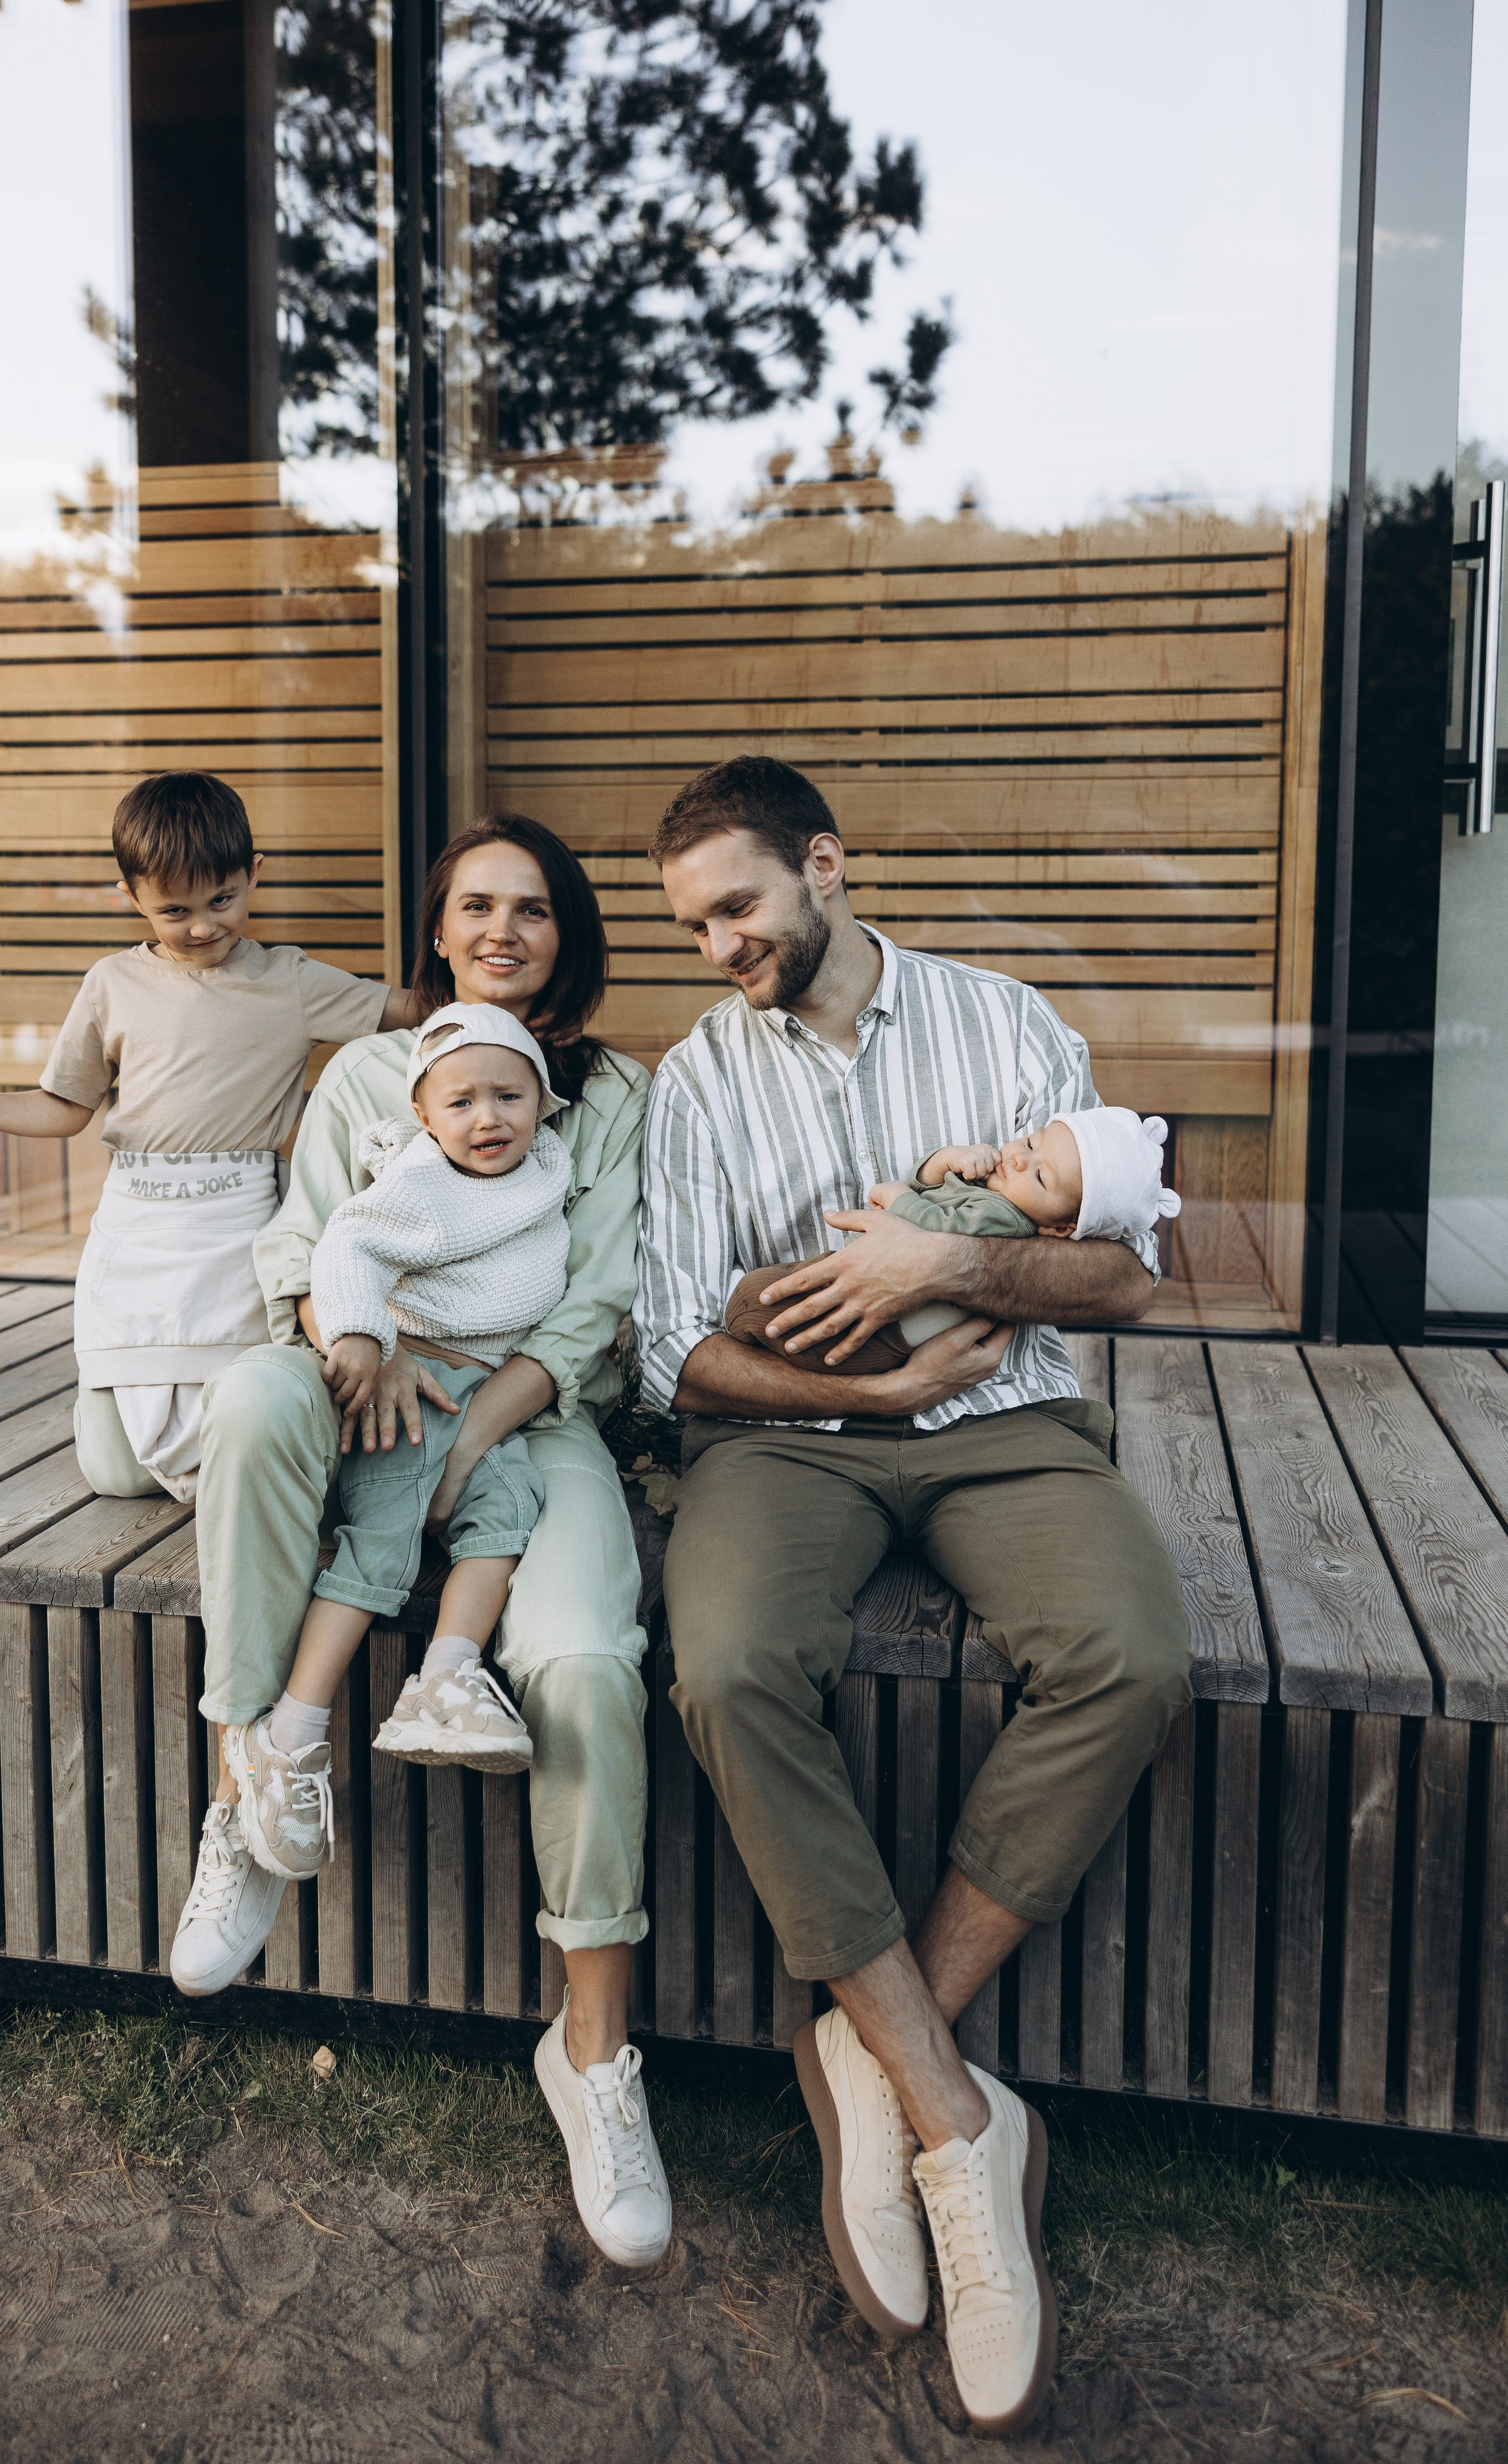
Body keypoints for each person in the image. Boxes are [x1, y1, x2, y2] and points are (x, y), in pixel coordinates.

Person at [634, 754, 1192, 2440]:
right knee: (728, 1662)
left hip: (1001, 1420)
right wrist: (858, 1385)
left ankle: (871, 2046)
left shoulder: (1004, 1024)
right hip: (789, 1441)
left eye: (737, 906)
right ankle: (955, 2120)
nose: (719, 945)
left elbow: (1124, 1274)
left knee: (1126, 1651)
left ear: (825, 863)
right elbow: (674, 1347)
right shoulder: (695, 1076)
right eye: (692, 926)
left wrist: (940, 1262)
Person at [173, 813, 674, 2274]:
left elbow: (598, 1303)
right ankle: (252, 1784)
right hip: (363, 1382)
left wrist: (470, 1436)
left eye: (532, 908)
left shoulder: (608, 1098)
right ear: (438, 931)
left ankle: (593, 2055)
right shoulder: (367, 1075)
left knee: (584, 1660)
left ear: (567, 937)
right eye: (475, 906)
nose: (502, 929)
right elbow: (304, 1244)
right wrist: (358, 1348)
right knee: (250, 1401)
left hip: (530, 1415)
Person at [0, 770, 414, 1500]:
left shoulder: (290, 980)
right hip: (138, 1224)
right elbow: (68, 1105)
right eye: (174, 911)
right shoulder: (111, 983)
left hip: (240, 1224)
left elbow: (410, 1011)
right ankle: (113, 1397)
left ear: (253, 874)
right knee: (116, 1477)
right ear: (131, 896)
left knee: (241, 1412)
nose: (203, 926)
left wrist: (490, 980)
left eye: (223, 900)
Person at [224, 1004, 575, 1884]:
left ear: (544, 1102)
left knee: (510, 1511)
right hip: (409, 1394)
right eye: (461, 1103)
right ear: (423, 1116)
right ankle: (291, 1731)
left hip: (486, 1397)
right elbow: (347, 1245)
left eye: (509, 1097)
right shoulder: (418, 1181)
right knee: (381, 1549)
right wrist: (360, 1338)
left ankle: (446, 1677)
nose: (487, 1118)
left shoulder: (548, 1167)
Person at [726, 1110, 1182, 1375]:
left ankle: (742, 1317)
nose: (1019, 1160)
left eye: (1041, 1177)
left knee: (761, 1305)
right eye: (1030, 1143)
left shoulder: (1004, 1219)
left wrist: (898, 1198)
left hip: (887, 1334)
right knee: (779, 1303)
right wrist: (947, 1160)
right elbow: (926, 1186)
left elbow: (932, 1229)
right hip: (867, 1294)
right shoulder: (993, 1190)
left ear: (1062, 1228)